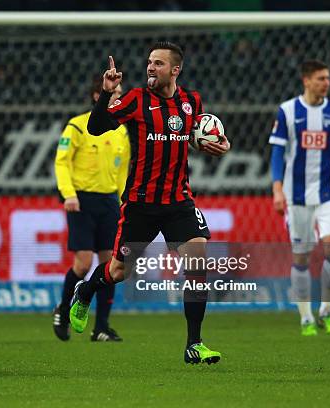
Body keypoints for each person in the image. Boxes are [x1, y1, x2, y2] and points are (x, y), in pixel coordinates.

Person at [70, 42, 230, 365]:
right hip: (140, 204)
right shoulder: (135, 100)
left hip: (179, 202)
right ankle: (85, 291)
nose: (150, 68)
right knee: (118, 271)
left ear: (175, 70)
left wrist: (218, 145)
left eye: (158, 63)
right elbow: (96, 127)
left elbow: (197, 134)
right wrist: (106, 92)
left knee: (198, 266)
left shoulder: (191, 102)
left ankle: (194, 344)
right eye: (149, 62)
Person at [269, 59, 330, 336]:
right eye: (321, 78)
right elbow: (277, 152)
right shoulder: (288, 111)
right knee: (301, 257)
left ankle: (326, 311)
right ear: (307, 81)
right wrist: (277, 189)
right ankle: (305, 317)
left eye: (328, 78)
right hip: (296, 194)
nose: (327, 83)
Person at [53, 75, 130, 342]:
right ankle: (63, 311)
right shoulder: (77, 126)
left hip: (109, 202)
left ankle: (101, 327)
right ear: (99, 96)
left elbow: (123, 170)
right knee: (83, 263)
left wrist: (124, 201)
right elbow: (62, 162)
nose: (119, 96)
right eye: (114, 92)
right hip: (82, 201)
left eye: (121, 91)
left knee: (110, 266)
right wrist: (68, 194)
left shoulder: (122, 130)